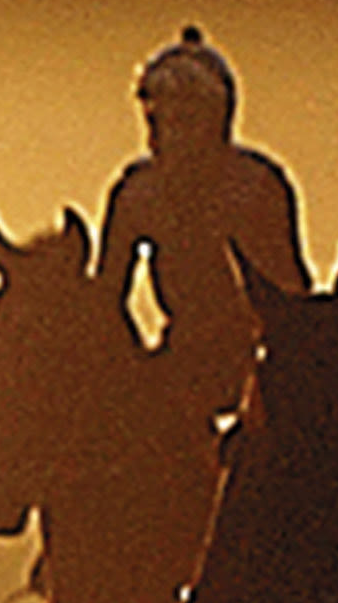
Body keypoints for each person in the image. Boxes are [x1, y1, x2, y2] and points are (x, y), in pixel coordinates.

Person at [96, 25, 306, 428]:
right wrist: (133, 368)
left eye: (185, 120)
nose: (168, 136)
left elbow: (290, 291)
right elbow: (107, 299)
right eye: (158, 120)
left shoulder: (256, 188)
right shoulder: (138, 193)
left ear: (216, 120)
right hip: (175, 365)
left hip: (256, 366)